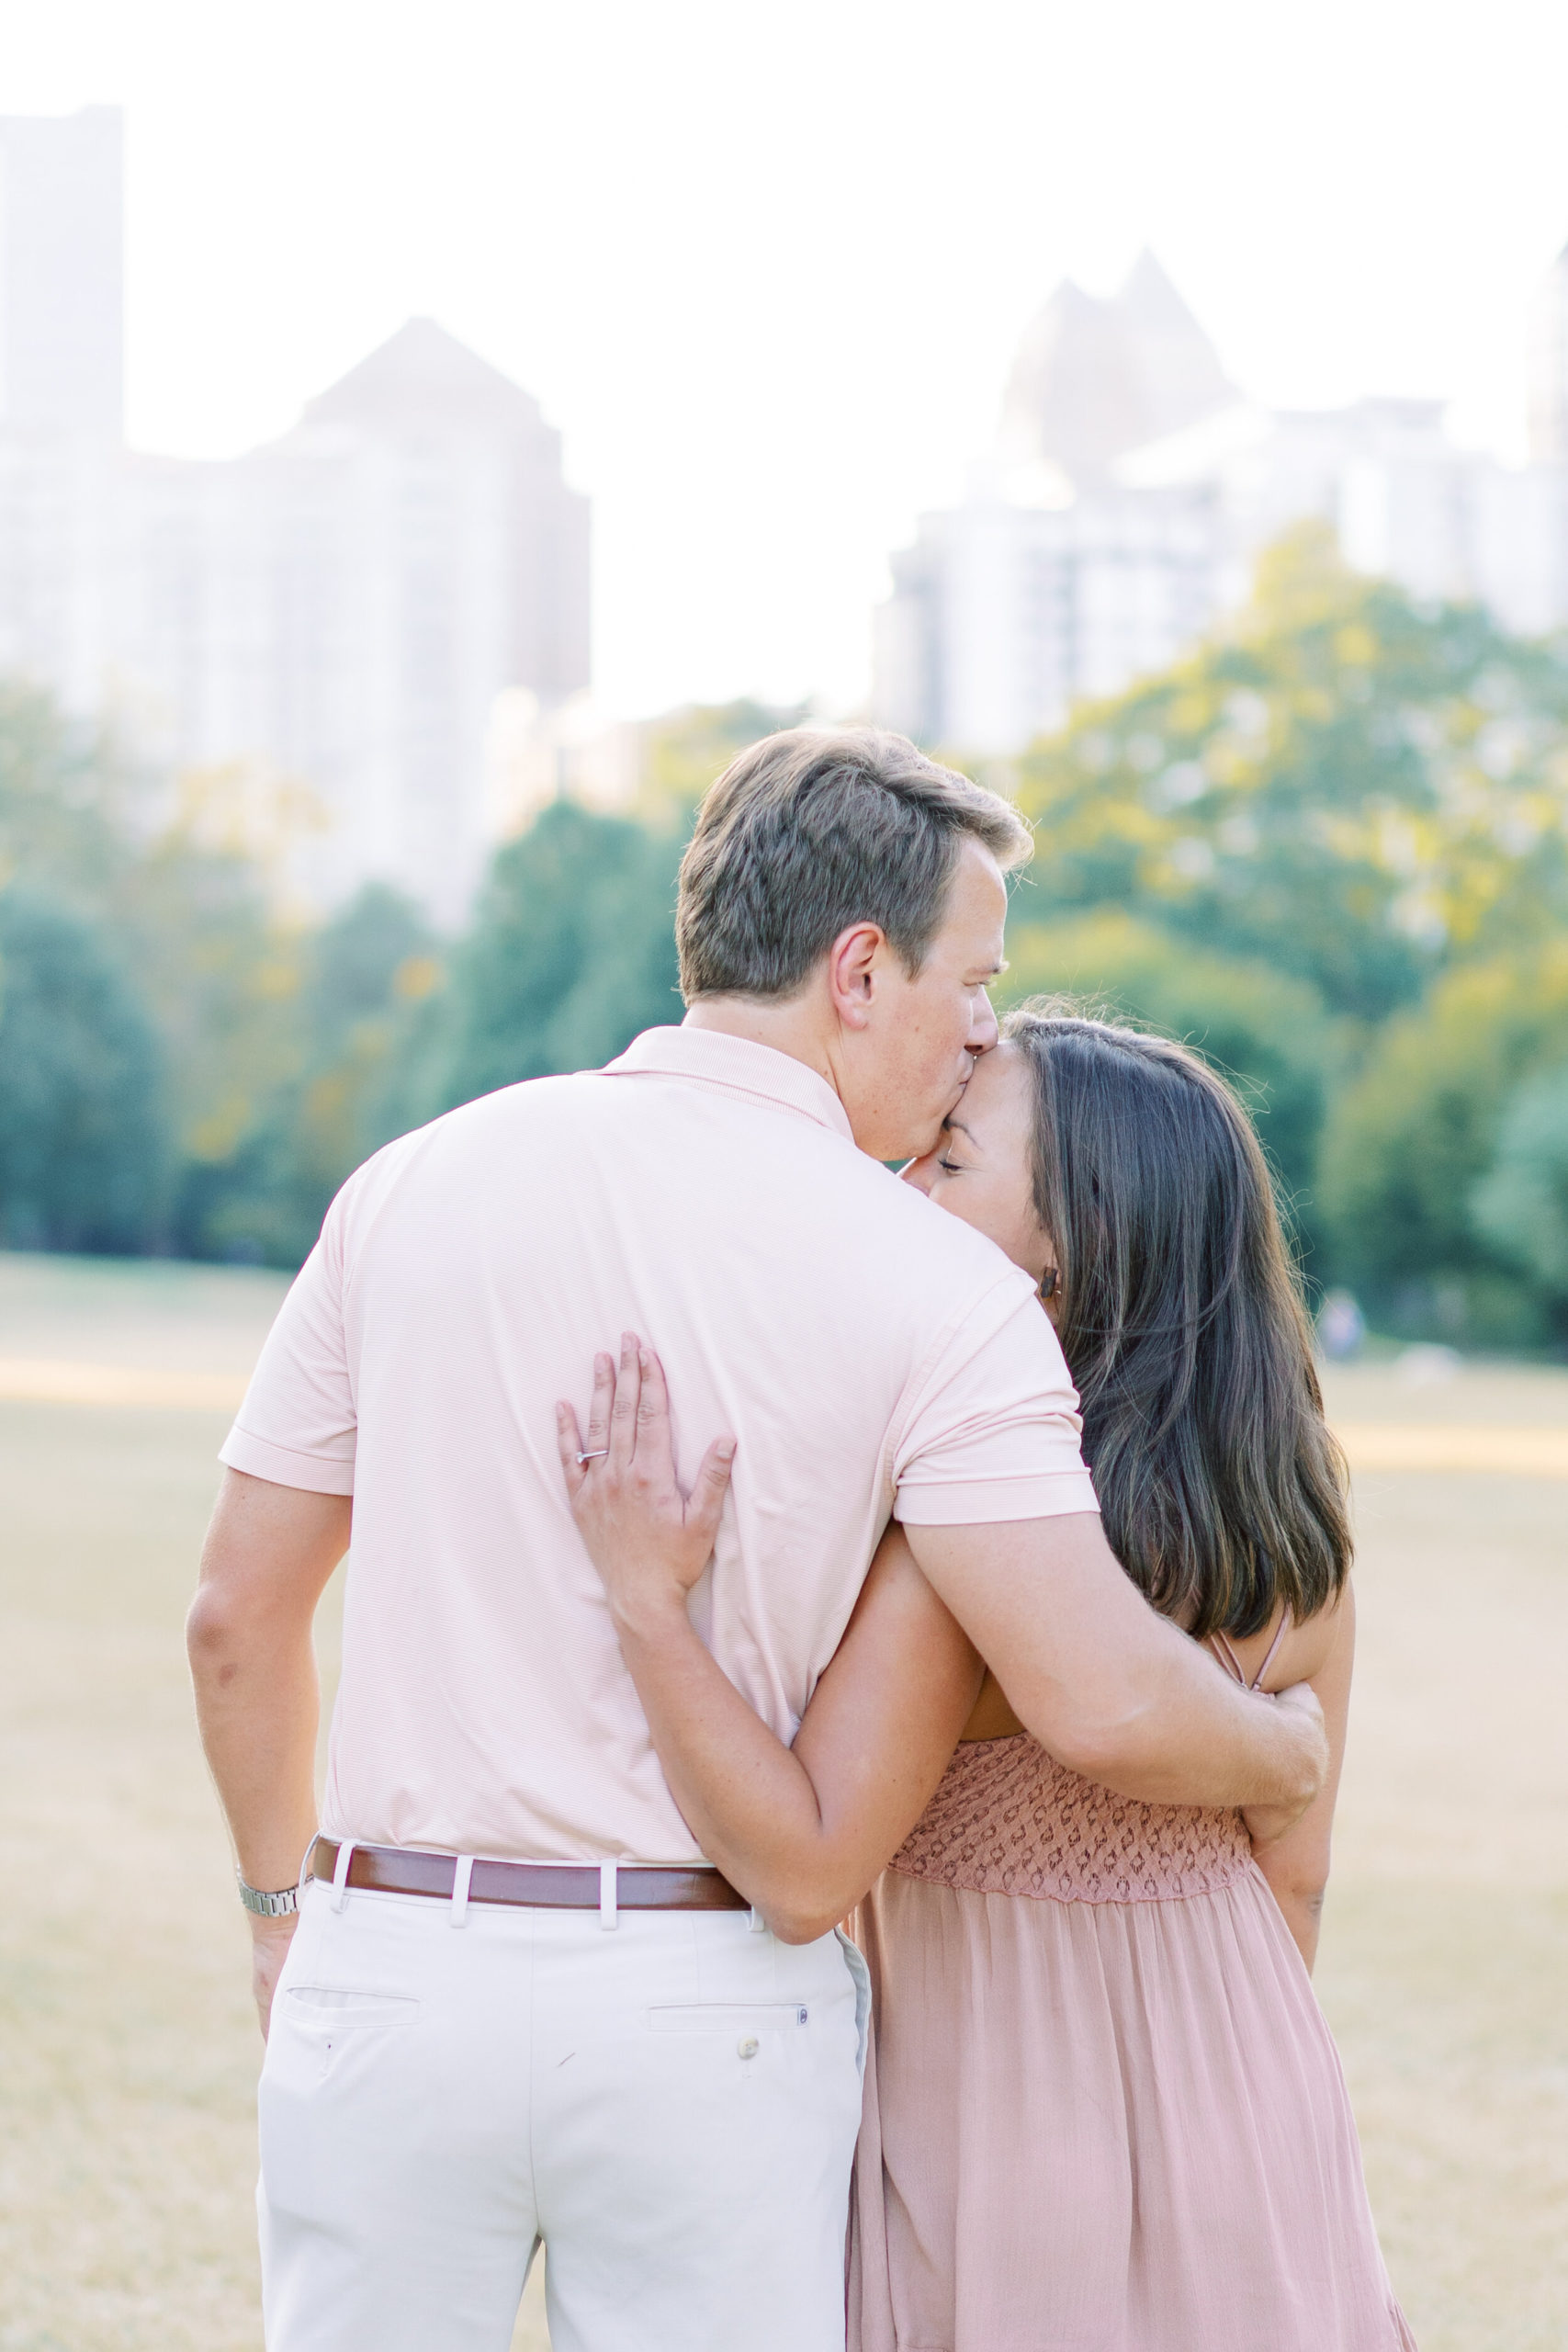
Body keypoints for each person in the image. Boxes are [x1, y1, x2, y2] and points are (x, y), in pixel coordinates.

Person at [187, 730, 1325, 2352]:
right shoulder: (943, 1290)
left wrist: (276, 1917)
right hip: (702, 2001)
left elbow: (237, 1617)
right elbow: (1109, 1700)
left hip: (394, 1970)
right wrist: (1282, 1757)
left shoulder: (411, 1185)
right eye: (974, 977)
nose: (987, 1023)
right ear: (861, 971)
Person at [563, 1007, 1415, 2352]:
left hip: (1003, 2120)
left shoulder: (973, 1567)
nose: (903, 1184)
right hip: (1254, 2098)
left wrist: (647, 1607)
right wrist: (1210, 2097)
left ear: (1068, 1248)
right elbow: (1294, 1880)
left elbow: (800, 1861)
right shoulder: (1295, 1541)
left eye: (949, 1162)